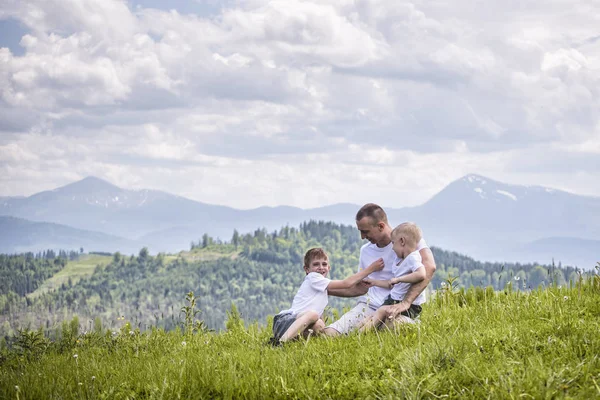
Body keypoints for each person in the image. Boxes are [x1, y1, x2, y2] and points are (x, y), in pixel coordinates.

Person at [323, 203, 436, 336]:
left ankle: (410, 326)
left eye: (365, 231)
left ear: (381, 226)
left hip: (398, 306)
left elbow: (429, 267)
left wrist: (406, 303)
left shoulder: (409, 237)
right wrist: (326, 290)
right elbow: (362, 287)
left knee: (389, 327)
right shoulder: (365, 251)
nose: (362, 237)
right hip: (370, 305)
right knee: (329, 334)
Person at [270, 247, 384, 345]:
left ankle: (295, 343)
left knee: (320, 325)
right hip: (285, 321)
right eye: (316, 264)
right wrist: (371, 269)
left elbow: (350, 291)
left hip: (298, 324)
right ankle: (279, 342)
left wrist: (367, 286)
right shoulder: (313, 277)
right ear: (307, 269)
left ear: (329, 268)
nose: (321, 267)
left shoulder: (321, 286)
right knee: (313, 315)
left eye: (324, 264)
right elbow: (346, 284)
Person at [360, 222, 426, 331]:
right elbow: (391, 283)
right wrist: (373, 282)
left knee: (381, 312)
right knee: (372, 316)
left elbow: (421, 274)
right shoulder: (399, 260)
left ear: (402, 241)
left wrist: (399, 279)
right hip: (393, 299)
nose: (392, 248)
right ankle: (354, 334)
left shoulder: (413, 258)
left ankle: (360, 336)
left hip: (409, 305)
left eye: (393, 243)